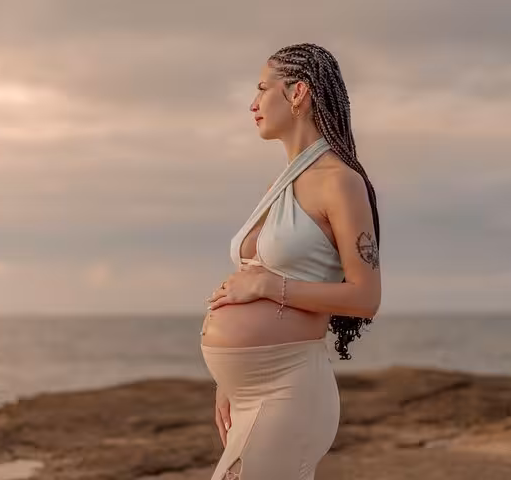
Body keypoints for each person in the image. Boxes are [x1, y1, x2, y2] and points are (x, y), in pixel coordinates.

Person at [198, 43, 382, 480]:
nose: (253, 103)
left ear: (298, 93)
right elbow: (256, 274)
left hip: (288, 388)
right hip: (250, 392)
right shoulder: (280, 185)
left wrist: (265, 288)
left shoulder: (341, 183)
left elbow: (365, 296)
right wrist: (229, 382)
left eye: (263, 89)